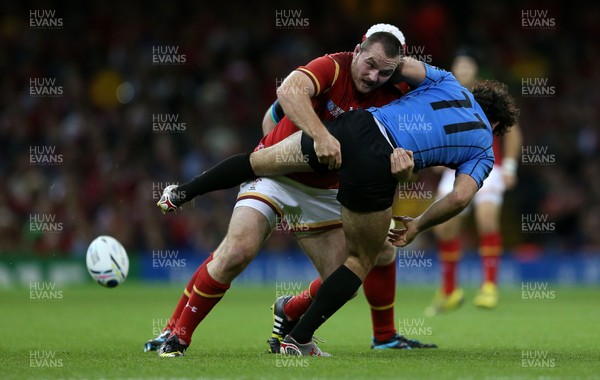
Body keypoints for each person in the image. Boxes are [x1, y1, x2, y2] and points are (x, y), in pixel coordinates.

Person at [156, 58, 519, 356]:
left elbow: (401, 66)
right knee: (349, 261)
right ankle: (290, 338)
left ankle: (183, 193)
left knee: (261, 165)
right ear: (497, 125)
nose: (376, 75)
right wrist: (418, 224)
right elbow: (459, 197)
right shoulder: (482, 146)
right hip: (341, 165)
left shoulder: (437, 81)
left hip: (342, 152)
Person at [149, 24, 434, 358]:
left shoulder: (395, 99)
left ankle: (293, 311)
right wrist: (316, 138)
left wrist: (404, 173)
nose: (373, 76)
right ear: (357, 51)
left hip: (325, 193)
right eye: (369, 64)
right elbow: (286, 95)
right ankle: (177, 334)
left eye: (384, 72)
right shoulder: (333, 65)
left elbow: (406, 159)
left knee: (346, 280)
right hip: (276, 176)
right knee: (237, 252)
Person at [426, 49, 523, 316]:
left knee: (486, 219)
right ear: (454, 70)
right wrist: (436, 157)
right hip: (455, 169)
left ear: (475, 69)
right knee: (443, 227)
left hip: (488, 165)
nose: (464, 69)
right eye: (459, 65)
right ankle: (449, 291)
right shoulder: (445, 96)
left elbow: (513, 133)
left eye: (468, 65)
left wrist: (511, 167)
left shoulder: (488, 98)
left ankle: (489, 286)